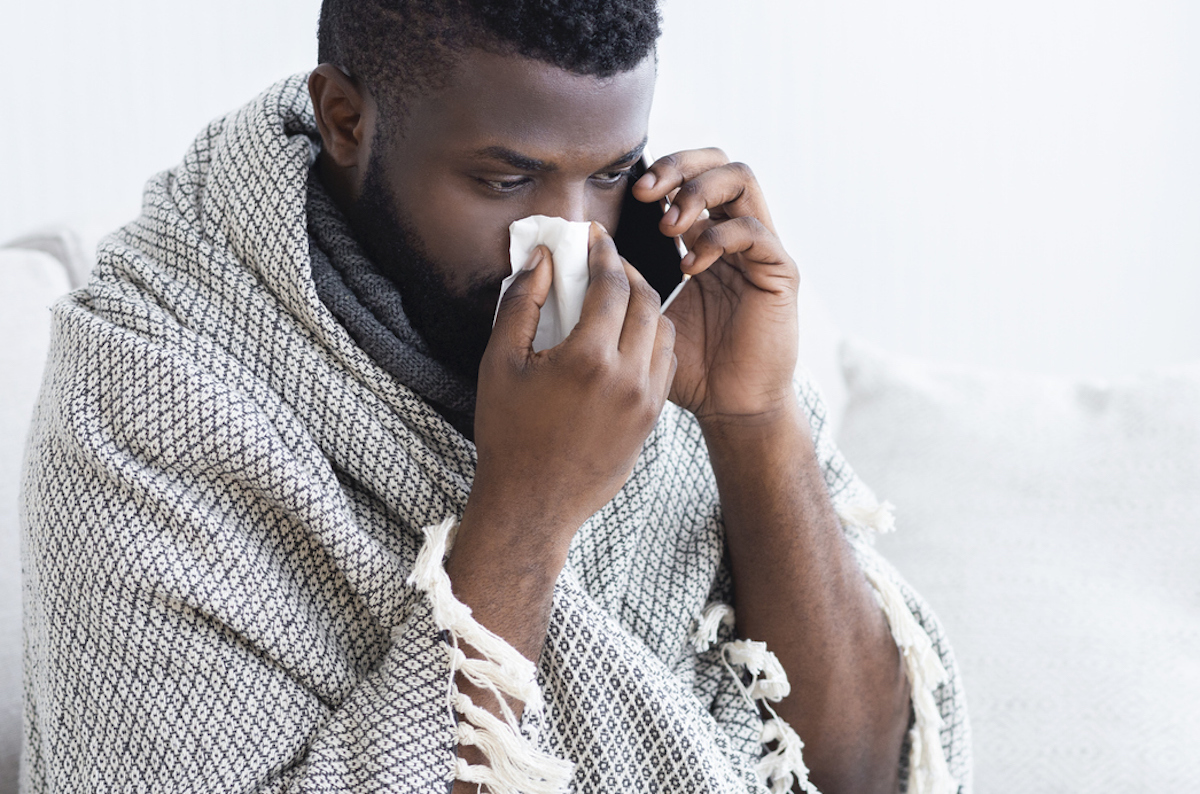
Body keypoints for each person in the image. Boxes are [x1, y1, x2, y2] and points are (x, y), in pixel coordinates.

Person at [20, 1, 971, 792]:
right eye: (506, 179)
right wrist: (528, 506)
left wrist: (753, 421)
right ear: (346, 119)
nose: (570, 241)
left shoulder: (655, 313)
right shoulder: (146, 378)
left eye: (609, 173)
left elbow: (868, 776)